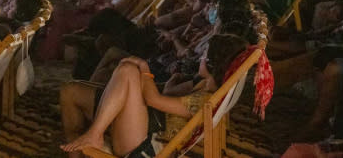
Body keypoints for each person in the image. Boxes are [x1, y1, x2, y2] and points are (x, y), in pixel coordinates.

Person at [59, 34, 249, 158]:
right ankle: (78, 151)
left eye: (204, 55)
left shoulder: (207, 100)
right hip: (146, 122)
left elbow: (154, 99)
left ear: (211, 64)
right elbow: (165, 92)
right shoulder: (204, 84)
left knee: (128, 69)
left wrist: (145, 70)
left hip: (146, 146)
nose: (200, 58)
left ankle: (95, 134)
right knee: (70, 91)